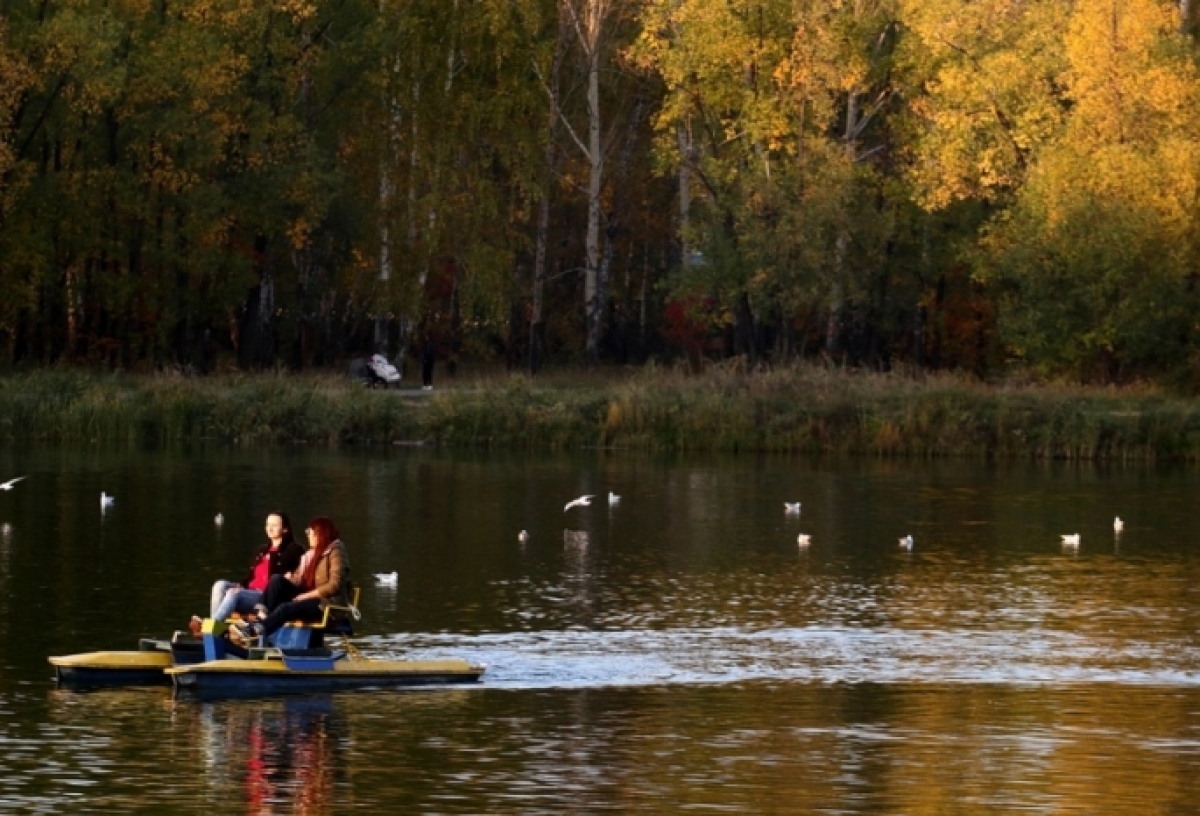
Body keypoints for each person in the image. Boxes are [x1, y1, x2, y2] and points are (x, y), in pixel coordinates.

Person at [234, 517, 352, 644]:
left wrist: (305, 596)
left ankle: (255, 631)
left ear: (319, 534)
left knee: (285, 608)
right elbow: (299, 579)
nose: (308, 535)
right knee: (277, 579)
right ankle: (260, 617)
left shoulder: (336, 551)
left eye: (310, 532)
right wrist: (290, 578)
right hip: (309, 600)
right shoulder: (310, 555)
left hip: (326, 605)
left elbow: (334, 585)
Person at [208, 513, 305, 624]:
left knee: (233, 594)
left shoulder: (294, 550)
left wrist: (290, 576)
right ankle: (216, 626)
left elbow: (295, 576)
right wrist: (240, 585)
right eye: (268, 524)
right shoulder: (261, 550)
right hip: (250, 591)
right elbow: (252, 577)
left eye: (274, 525)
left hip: (265, 596)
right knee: (219, 585)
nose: (270, 528)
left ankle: (213, 626)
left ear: (285, 529)